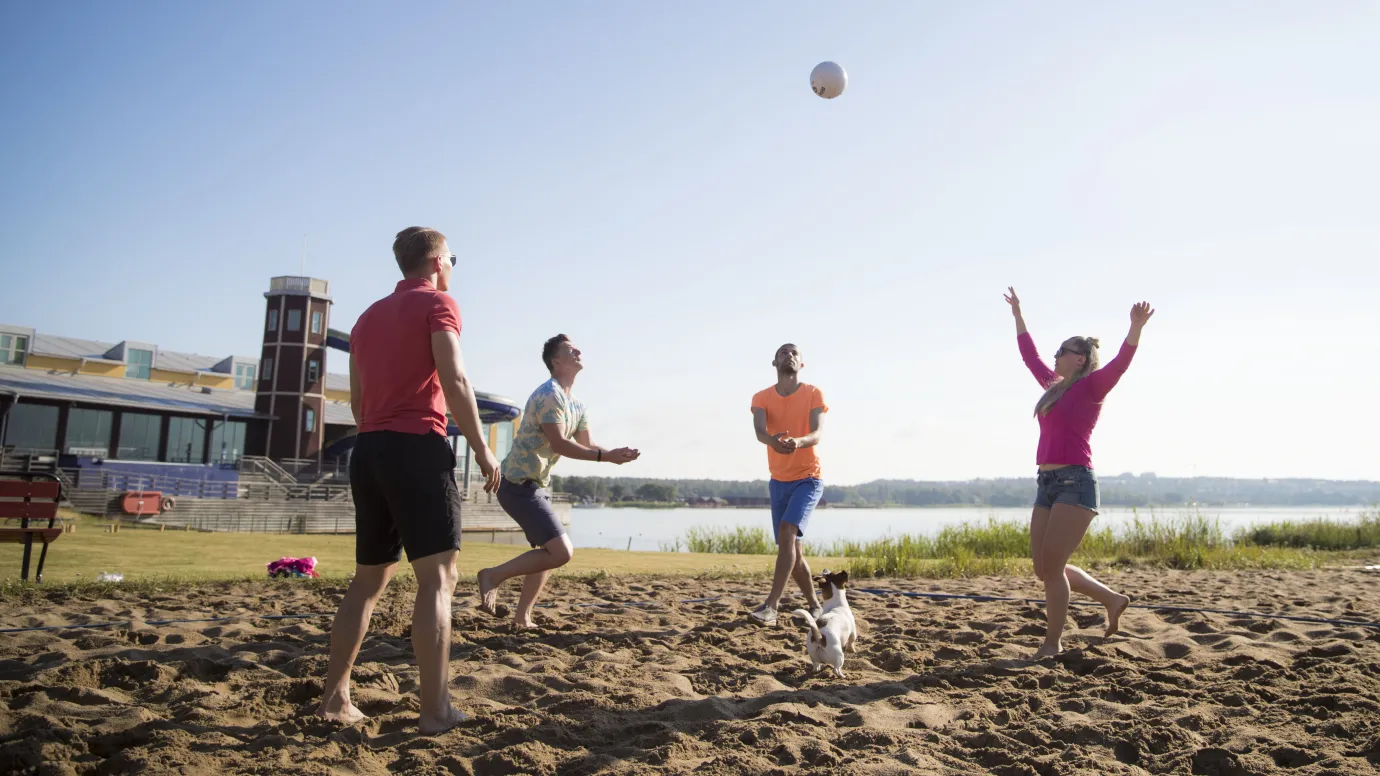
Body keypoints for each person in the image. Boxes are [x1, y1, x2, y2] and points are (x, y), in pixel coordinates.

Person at [317, 227, 500, 733]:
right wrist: (482, 448)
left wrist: (378, 437)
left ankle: (335, 699)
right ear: (438, 260)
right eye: (453, 259)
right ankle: (436, 710)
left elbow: (356, 400)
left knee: (368, 582)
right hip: (416, 445)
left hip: (369, 448)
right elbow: (455, 378)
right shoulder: (439, 303)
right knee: (438, 582)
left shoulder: (366, 317)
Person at [1004, 286, 1153, 658]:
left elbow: (1120, 363)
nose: (1055, 357)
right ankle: (1111, 599)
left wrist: (1135, 328)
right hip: (1047, 483)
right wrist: (1018, 315)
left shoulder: (1092, 387)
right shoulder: (1053, 388)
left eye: (1063, 352)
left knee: (1052, 571)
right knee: (1044, 568)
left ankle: (1052, 644)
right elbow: (1029, 356)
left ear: (1082, 359)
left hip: (1076, 483)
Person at [477, 334, 640, 628]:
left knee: (548, 552)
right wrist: (606, 458)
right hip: (516, 485)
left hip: (534, 486)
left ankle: (522, 617)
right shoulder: (549, 395)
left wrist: (614, 453)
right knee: (561, 552)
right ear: (557, 361)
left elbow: (587, 443)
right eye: (570, 349)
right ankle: (492, 576)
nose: (578, 350)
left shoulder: (576, 404)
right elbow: (561, 444)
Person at [748, 343, 828, 625]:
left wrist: (798, 441)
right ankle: (816, 606)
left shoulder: (812, 393)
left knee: (786, 533)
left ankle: (771, 607)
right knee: (792, 549)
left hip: (808, 478)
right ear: (774, 362)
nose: (789, 355)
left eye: (795, 353)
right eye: (784, 352)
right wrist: (772, 441)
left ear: (801, 364)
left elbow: (816, 433)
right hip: (778, 481)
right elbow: (760, 432)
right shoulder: (761, 397)